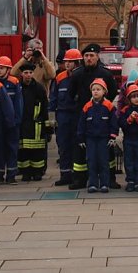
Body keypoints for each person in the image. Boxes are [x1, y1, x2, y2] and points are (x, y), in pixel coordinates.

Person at [68, 43, 118, 190]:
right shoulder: (77, 74)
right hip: (83, 116)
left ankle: (109, 179)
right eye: (86, 56)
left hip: (103, 118)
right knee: (80, 150)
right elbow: (71, 94)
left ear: (97, 56)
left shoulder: (106, 74)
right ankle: (79, 179)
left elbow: (113, 91)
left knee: (106, 151)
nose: (89, 58)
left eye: (91, 56)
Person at [77, 79, 118, 194]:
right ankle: (93, 184)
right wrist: (80, 138)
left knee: (103, 161)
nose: (95, 92)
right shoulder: (87, 107)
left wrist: (113, 136)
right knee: (91, 161)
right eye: (93, 90)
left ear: (104, 91)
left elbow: (113, 123)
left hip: (104, 139)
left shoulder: (109, 106)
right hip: (90, 139)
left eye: (98, 89)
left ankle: (105, 183)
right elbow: (82, 123)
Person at [49, 48, 82, 186]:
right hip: (62, 115)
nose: (67, 64)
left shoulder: (80, 76)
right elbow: (53, 97)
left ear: (77, 63)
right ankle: (65, 175)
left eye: (70, 62)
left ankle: (76, 175)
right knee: (63, 145)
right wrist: (51, 117)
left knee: (76, 146)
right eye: (66, 62)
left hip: (76, 115)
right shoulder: (60, 77)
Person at [18, 63, 49, 182]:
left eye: (30, 73)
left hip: (36, 124)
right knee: (23, 150)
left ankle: (37, 172)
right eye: (26, 73)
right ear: (21, 74)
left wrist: (46, 125)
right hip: (22, 124)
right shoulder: (18, 87)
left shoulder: (39, 88)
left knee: (38, 150)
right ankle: (25, 173)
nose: (28, 75)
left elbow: (45, 106)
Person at [0, 56, 23, 184]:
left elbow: (19, 103)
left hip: (12, 122)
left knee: (12, 148)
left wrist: (17, 120)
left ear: (8, 69)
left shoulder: (14, 82)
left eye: (1, 68)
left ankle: (11, 175)